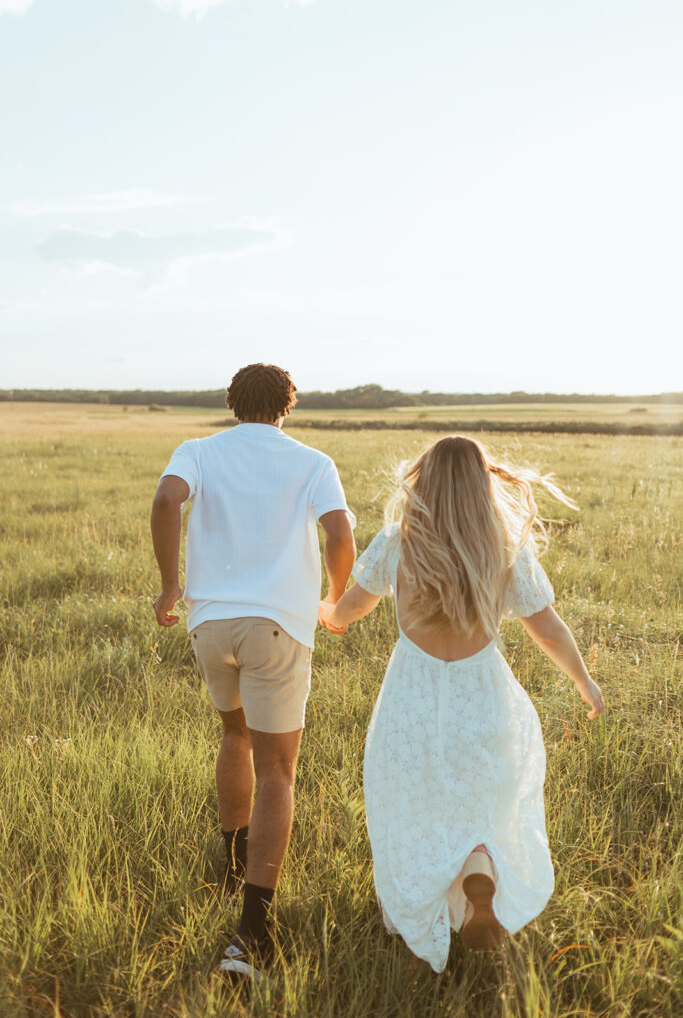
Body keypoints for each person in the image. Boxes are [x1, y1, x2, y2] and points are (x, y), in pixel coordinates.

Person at [319, 435, 604, 973]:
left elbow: (353, 605)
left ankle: (415, 932)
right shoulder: (502, 546)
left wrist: (330, 612)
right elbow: (546, 627)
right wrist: (585, 682)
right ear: (482, 486)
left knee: (412, 805)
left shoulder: (398, 541)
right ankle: (479, 872)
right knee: (483, 803)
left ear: (423, 484)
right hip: (483, 693)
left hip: (413, 696)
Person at [151, 363, 356, 981]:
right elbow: (340, 532)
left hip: (210, 624)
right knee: (278, 770)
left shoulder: (198, 450)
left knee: (233, 735)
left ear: (233, 402)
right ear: (286, 408)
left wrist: (168, 586)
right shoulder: (313, 461)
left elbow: (166, 500)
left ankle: (235, 854)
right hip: (278, 627)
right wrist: (336, 598)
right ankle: (253, 932)